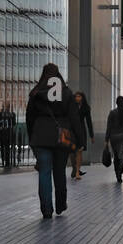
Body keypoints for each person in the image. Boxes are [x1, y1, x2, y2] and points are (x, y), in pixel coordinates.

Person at [26, 63, 81, 218]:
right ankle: (60, 204)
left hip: (41, 136)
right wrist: (79, 140)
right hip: (61, 137)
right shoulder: (66, 93)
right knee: (59, 171)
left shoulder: (36, 93)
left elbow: (29, 118)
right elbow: (74, 118)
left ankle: (46, 209)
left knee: (44, 171)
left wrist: (32, 137)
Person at [105, 95, 123, 182]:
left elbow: (109, 127)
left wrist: (106, 139)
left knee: (116, 156)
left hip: (113, 137)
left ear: (116, 103)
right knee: (121, 156)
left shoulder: (112, 113)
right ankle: (120, 171)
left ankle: (117, 174)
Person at [71, 91, 94, 180]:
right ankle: (74, 168)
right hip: (72, 130)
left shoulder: (86, 108)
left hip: (81, 130)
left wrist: (91, 135)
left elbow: (89, 122)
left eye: (79, 96)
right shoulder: (71, 106)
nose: (77, 98)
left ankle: (77, 172)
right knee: (72, 151)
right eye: (76, 96)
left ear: (82, 98)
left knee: (79, 151)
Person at [0, 103, 15, 169]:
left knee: (5, 148)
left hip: (6, 134)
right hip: (4, 134)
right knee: (4, 148)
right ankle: (5, 161)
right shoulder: (0, 114)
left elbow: (13, 124)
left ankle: (6, 161)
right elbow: (14, 124)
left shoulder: (11, 114)